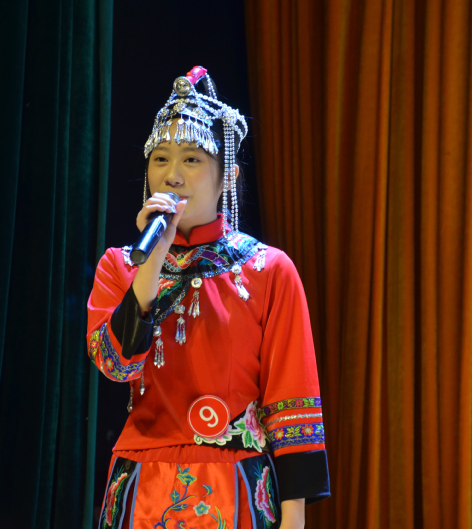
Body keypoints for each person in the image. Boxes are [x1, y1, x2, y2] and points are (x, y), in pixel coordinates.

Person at [87, 66, 329, 529]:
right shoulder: (120, 265)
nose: (172, 176)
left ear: (227, 177)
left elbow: (293, 400)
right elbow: (115, 365)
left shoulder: (268, 270)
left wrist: (294, 517)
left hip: (236, 487)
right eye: (160, 159)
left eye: (192, 160)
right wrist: (152, 261)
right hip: (142, 486)